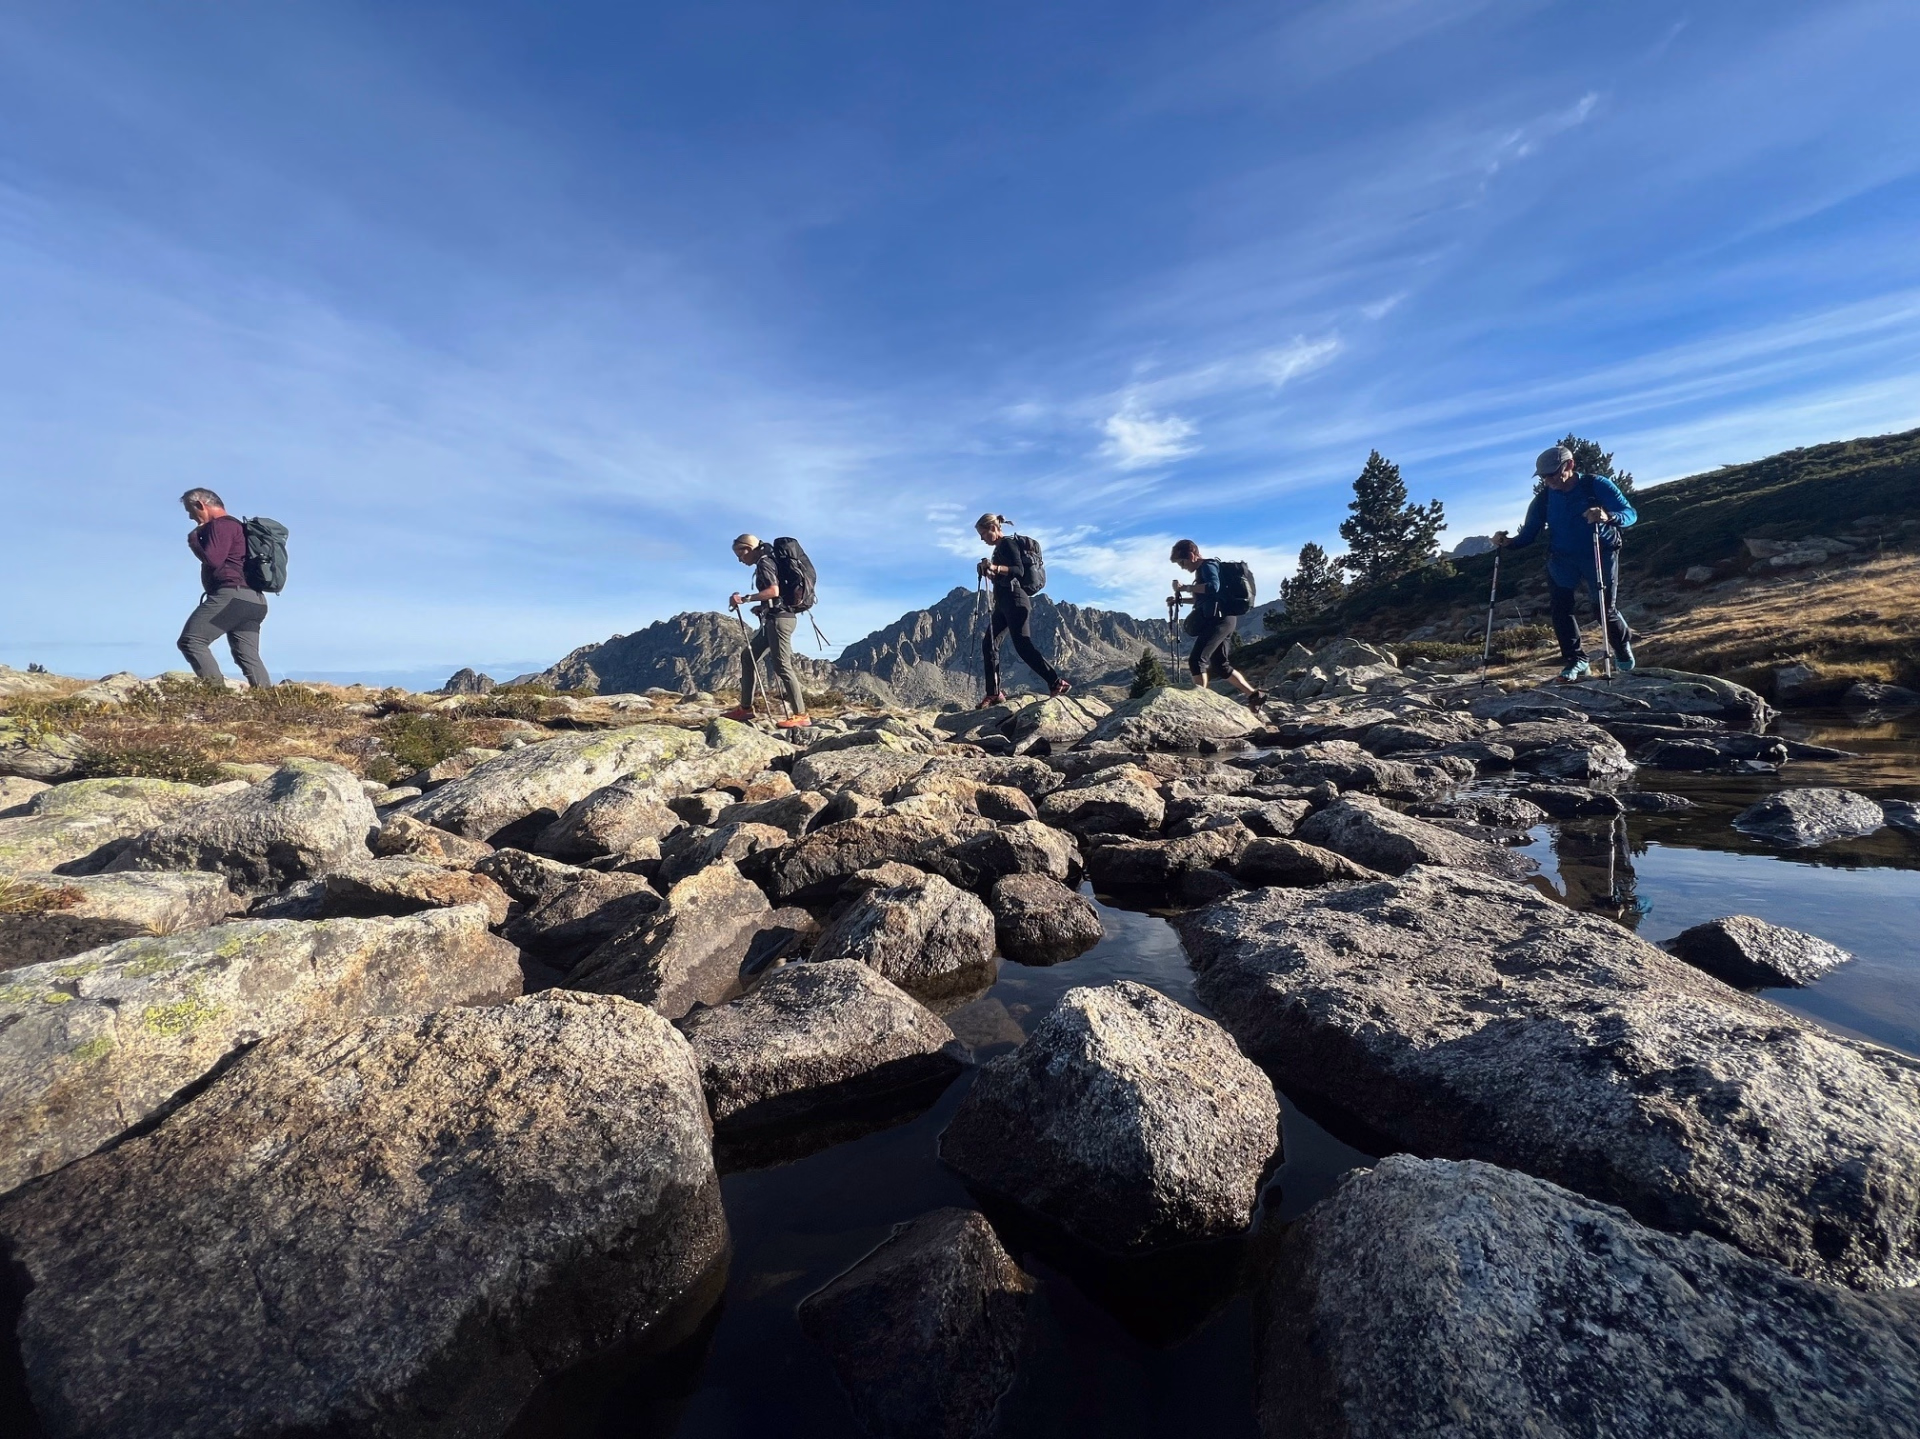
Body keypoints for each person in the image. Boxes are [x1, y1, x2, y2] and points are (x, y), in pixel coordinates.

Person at [1494, 445, 1638, 681]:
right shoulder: (1543, 500)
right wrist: (1507, 542)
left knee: (1603, 609)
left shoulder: (1596, 485)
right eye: (1543, 476)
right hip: (1562, 558)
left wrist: (1608, 516)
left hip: (1599, 553)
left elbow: (1630, 513)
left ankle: (1621, 648)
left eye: (1552, 474)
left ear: (1569, 465)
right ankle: (1576, 660)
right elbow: (1528, 534)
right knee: (1561, 609)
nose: (1548, 480)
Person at [178, 488, 271, 688]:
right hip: (254, 601)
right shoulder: (239, 527)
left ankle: (217, 696)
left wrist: (194, 540)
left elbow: (213, 560)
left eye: (190, 511)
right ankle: (270, 700)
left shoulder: (220, 525)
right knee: (247, 655)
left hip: (232, 596)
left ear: (201, 505)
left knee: (192, 640)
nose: (190, 517)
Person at [975, 514, 1068, 707]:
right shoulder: (999, 549)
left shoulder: (1008, 543)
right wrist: (989, 571)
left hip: (1015, 600)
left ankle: (1056, 682)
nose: (982, 538)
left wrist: (994, 567)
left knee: (1022, 645)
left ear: (993, 528)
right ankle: (994, 693)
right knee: (989, 644)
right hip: (1004, 602)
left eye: (983, 533)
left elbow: (1018, 571)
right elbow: (1004, 576)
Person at [722, 534, 811, 729]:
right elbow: (776, 595)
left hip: (780, 621)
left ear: (749, 548)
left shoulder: (764, 562)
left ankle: (801, 715)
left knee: (782, 665)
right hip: (775, 618)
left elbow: (773, 591)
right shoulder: (769, 561)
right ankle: (745, 708)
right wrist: (762, 607)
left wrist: (745, 599)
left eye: (740, 554)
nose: (740, 560)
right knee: (748, 657)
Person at [1169, 540, 1264, 705]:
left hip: (1219, 620)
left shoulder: (1208, 566)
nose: (1182, 567)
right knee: (1220, 665)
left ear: (1191, 556)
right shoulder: (1204, 570)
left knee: (1197, 660)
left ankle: (1200, 704)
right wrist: (1180, 600)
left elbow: (1213, 587)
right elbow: (1206, 598)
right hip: (1224, 619)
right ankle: (1255, 696)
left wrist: (1185, 588)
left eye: (1182, 562)